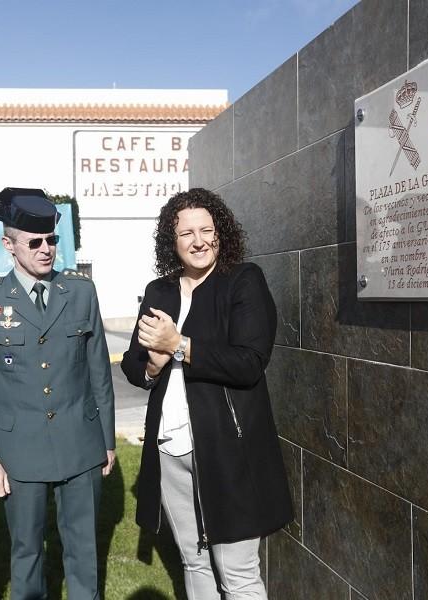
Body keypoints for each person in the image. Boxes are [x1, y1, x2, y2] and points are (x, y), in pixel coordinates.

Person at [122, 188, 293, 599]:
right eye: (186, 234)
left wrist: (179, 344)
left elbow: (249, 362)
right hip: (170, 448)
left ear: (222, 233)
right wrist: (153, 364)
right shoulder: (159, 290)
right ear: (172, 241)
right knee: (193, 560)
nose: (198, 241)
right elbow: (132, 363)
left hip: (227, 450)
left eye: (207, 230)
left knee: (236, 572)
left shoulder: (242, 280)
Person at [0, 187, 116, 599]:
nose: (46, 249)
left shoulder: (80, 291)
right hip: (19, 448)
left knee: (84, 550)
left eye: (52, 240)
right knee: (26, 551)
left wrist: (108, 441)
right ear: (8, 245)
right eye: (35, 242)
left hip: (81, 442)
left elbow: (100, 371)